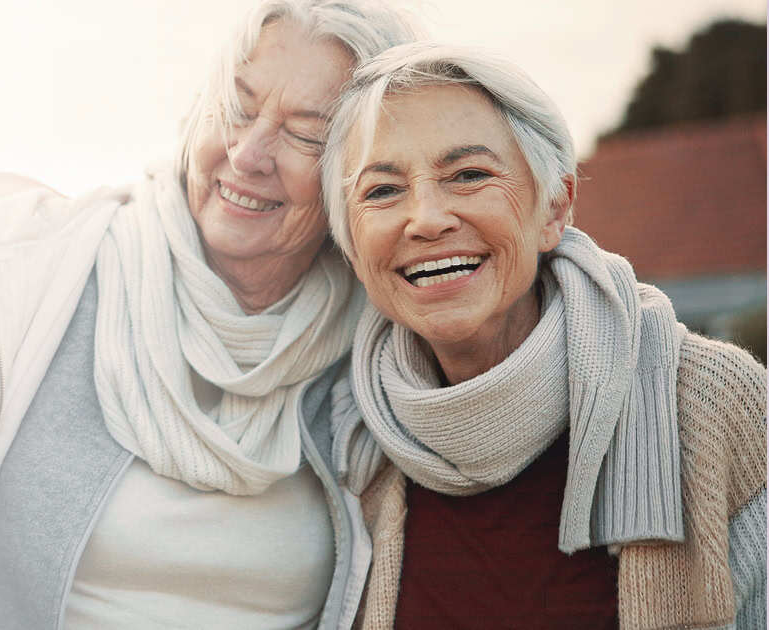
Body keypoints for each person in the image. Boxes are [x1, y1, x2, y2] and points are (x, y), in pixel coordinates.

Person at [0, 1, 419, 627]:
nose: (249, 154)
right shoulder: (47, 283)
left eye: (306, 133)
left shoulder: (383, 353)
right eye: (237, 107)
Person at [319, 42, 767, 629]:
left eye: (470, 174)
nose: (426, 218)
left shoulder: (714, 405)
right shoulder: (348, 441)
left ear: (554, 208)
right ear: (352, 245)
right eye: (381, 190)